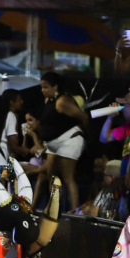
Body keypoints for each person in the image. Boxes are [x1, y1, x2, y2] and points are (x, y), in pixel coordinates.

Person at [25, 72, 89, 211]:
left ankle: (73, 210)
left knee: (67, 177)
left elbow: (83, 117)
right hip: (53, 144)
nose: (43, 90)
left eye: (46, 87)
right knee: (51, 176)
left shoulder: (62, 101)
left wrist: (88, 137)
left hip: (69, 140)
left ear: (56, 87)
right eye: (41, 87)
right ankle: (54, 207)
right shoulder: (48, 101)